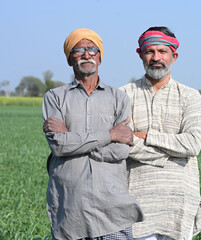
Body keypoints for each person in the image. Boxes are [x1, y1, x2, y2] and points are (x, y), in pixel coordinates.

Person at [42, 28, 143, 240]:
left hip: (113, 209)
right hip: (70, 209)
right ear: (70, 59)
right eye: (78, 51)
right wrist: (110, 134)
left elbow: (120, 150)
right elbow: (59, 146)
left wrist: (75, 141)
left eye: (92, 50)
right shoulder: (54, 97)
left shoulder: (119, 98)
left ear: (100, 56)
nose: (86, 55)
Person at [120, 26, 201, 240]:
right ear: (140, 54)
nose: (156, 57)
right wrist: (168, 155)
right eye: (150, 51)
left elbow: (193, 144)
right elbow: (122, 143)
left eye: (162, 52)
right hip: (136, 200)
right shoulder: (123, 95)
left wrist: (147, 135)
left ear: (174, 56)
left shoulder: (190, 96)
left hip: (178, 203)